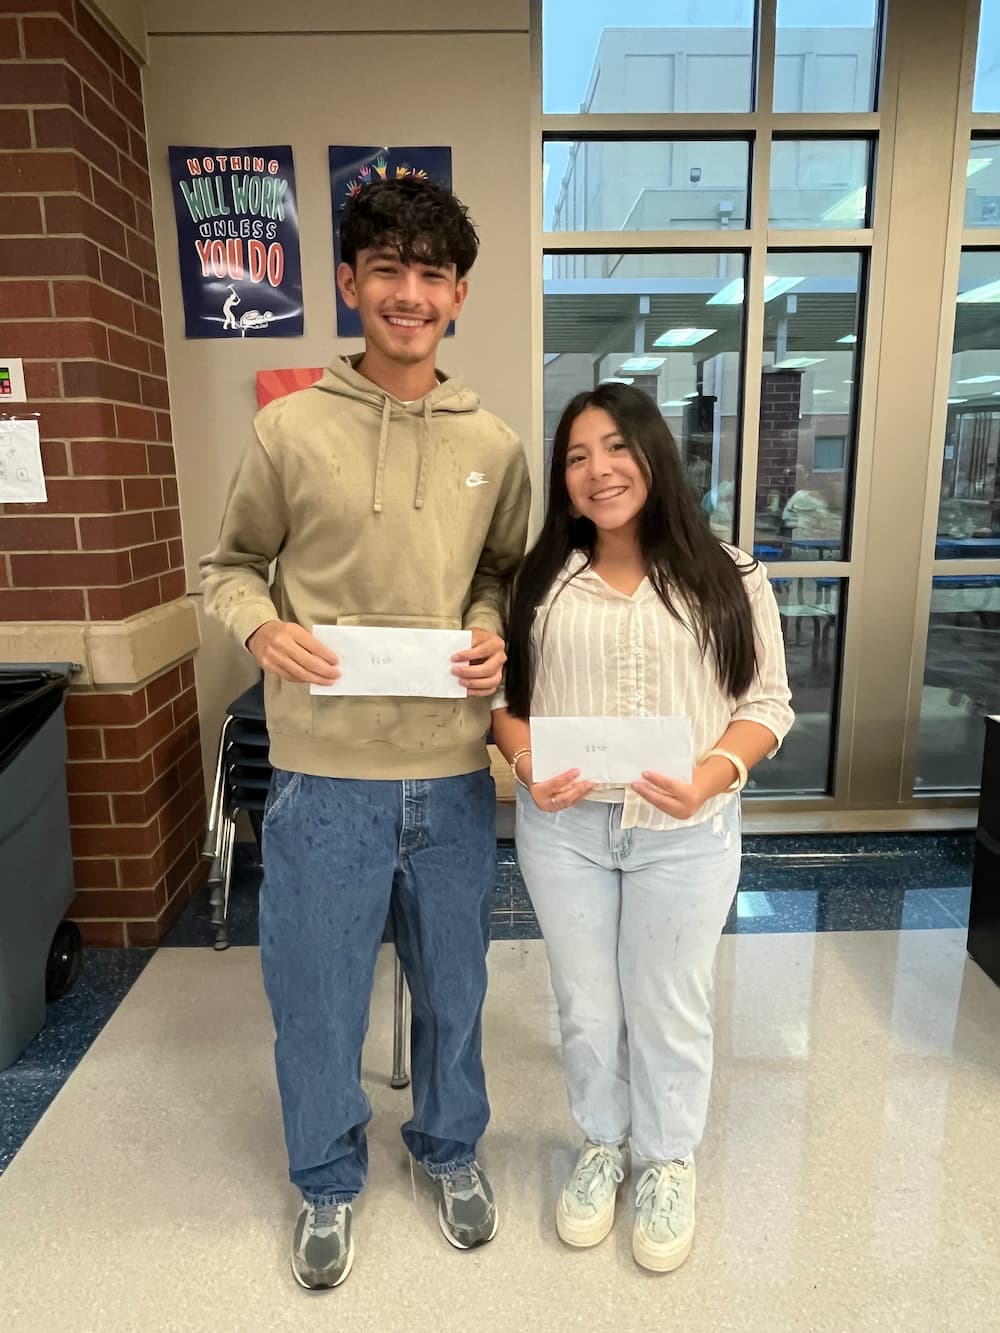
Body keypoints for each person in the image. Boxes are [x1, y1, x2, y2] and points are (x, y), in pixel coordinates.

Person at [200, 178, 531, 1291]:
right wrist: (260, 631)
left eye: (430, 274)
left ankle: (447, 1149)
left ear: (458, 294)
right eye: (385, 269)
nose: (408, 292)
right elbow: (231, 565)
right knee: (317, 993)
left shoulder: (494, 440)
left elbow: (500, 577)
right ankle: (326, 1180)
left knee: (454, 987)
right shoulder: (288, 428)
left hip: (447, 775)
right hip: (320, 777)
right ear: (348, 283)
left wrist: (490, 635)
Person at [491, 383, 793, 1273]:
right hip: (568, 831)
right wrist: (524, 762)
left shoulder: (731, 576)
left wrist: (707, 779)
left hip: (684, 834)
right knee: (586, 1003)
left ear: (655, 456)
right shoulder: (537, 582)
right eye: (578, 456)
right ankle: (602, 1145)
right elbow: (504, 707)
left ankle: (666, 1160)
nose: (599, 470)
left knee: (669, 1004)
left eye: (617, 448)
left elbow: (766, 705)